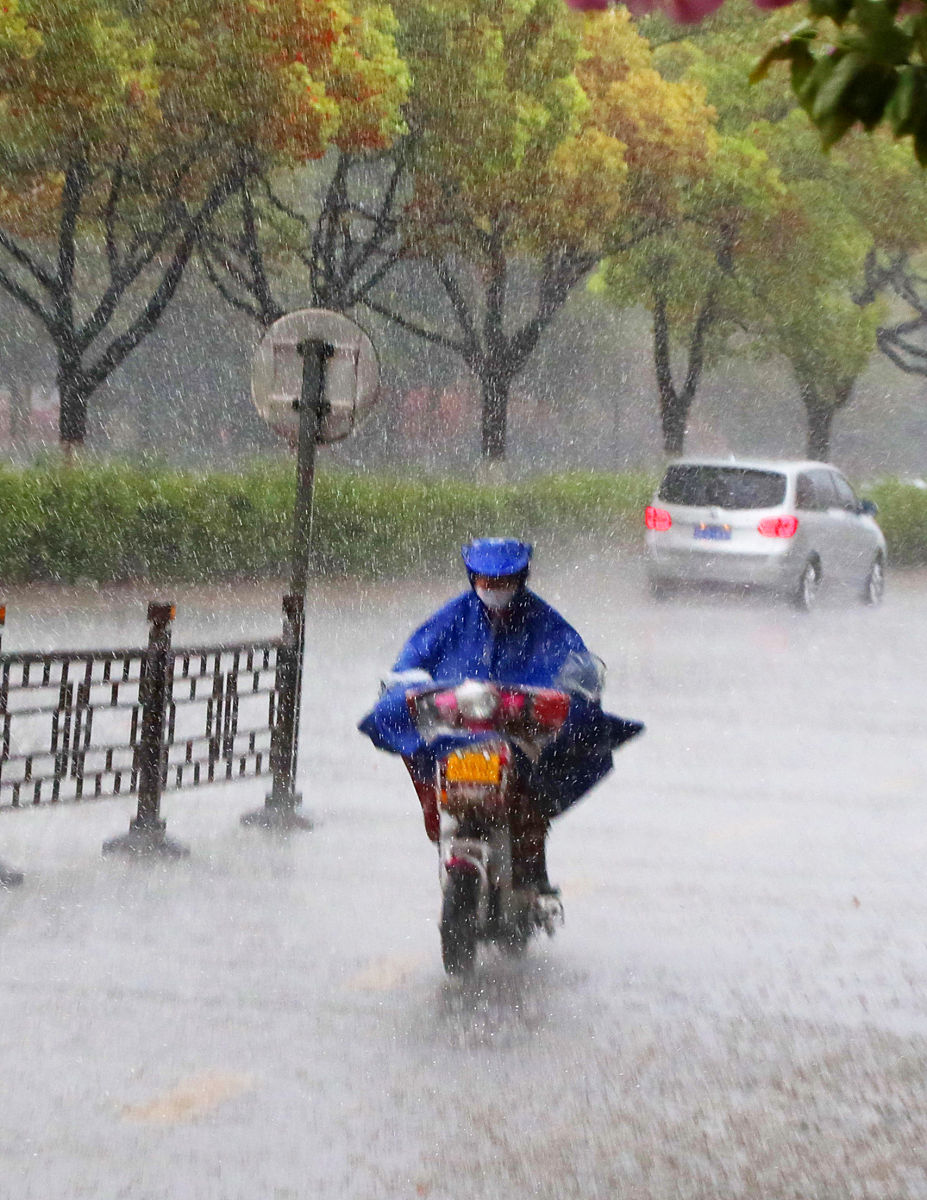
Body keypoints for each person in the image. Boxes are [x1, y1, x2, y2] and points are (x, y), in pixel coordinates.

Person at [358, 537, 643, 892]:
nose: (494, 589)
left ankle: (532, 865)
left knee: (538, 793)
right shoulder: (453, 618)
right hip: (458, 733)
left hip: (520, 732)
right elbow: (412, 662)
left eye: (503, 582)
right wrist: (404, 688)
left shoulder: (543, 621)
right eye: (486, 582)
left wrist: (570, 697)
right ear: (472, 579)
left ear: (520, 580)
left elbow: (574, 665)